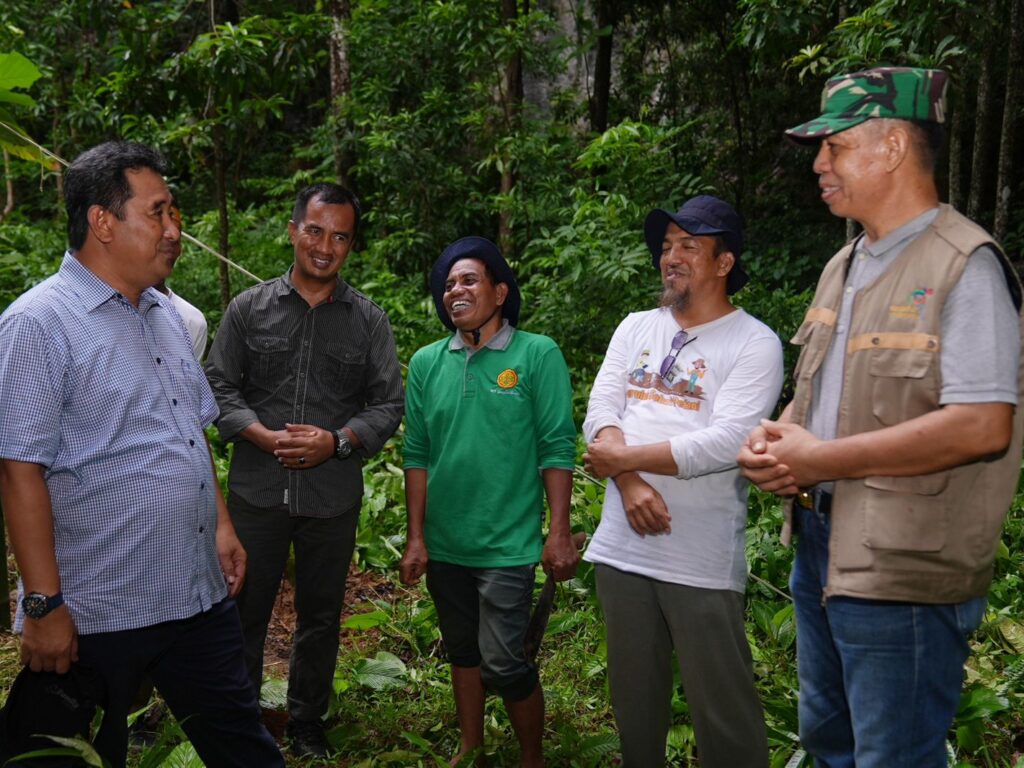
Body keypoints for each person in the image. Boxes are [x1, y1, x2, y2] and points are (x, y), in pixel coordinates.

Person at [737, 67, 1024, 767]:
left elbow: (984, 425)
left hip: (904, 569)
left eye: (833, 147)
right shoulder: (845, 263)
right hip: (822, 552)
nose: (819, 164)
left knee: (893, 757)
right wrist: (776, 438)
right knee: (829, 743)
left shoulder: (965, 265)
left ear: (893, 146)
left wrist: (821, 458)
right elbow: (822, 397)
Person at [0, 141, 284, 768]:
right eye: (158, 213)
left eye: (175, 213)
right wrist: (44, 605)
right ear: (102, 221)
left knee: (245, 748)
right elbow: (20, 470)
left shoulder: (166, 316)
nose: (175, 230)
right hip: (99, 608)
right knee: (70, 754)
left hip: (193, 594)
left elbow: (190, 430)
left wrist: (223, 525)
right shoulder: (39, 323)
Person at [581, 195, 782, 767]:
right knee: (634, 704)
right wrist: (629, 483)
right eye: (666, 246)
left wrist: (623, 462)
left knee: (723, 712)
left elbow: (726, 443)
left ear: (724, 262)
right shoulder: (636, 326)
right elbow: (601, 415)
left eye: (689, 246)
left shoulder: (754, 342)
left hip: (699, 557)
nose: (671, 256)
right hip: (622, 548)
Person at [205, 182, 404, 758]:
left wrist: (338, 442)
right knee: (245, 609)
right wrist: (259, 434)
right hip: (255, 492)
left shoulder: (368, 322)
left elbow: (388, 403)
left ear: (351, 245)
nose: (325, 246)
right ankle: (238, 718)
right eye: (314, 231)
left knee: (320, 614)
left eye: (340, 236)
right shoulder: (247, 309)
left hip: (331, 497)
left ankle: (307, 718)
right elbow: (218, 384)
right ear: (293, 230)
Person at [399, 236, 579, 767]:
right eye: (449, 284)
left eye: (469, 279)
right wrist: (415, 536)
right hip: (446, 541)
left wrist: (559, 531)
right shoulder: (428, 363)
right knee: (462, 650)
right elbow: (417, 453)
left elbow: (556, 444)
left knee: (504, 662)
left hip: (508, 542)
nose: (455, 289)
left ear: (500, 292)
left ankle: (531, 757)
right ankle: (471, 746)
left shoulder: (536, 354)